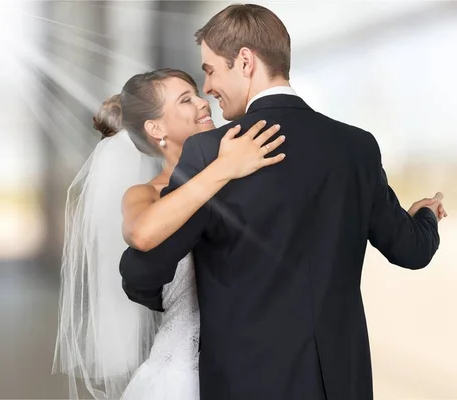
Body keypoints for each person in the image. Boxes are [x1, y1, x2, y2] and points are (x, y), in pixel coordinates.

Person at [119, 5, 447, 400]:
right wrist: (426, 214)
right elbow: (411, 249)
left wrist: (174, 299)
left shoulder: (212, 152)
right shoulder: (357, 146)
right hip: (341, 382)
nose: (208, 87)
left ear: (244, 61)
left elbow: (142, 269)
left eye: (209, 70)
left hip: (247, 381)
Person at [53, 68, 285, 399]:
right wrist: (223, 169)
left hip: (257, 367)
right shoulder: (143, 194)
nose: (203, 103)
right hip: (183, 377)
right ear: (156, 129)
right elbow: (143, 235)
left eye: (197, 94)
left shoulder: (245, 174)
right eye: (185, 100)